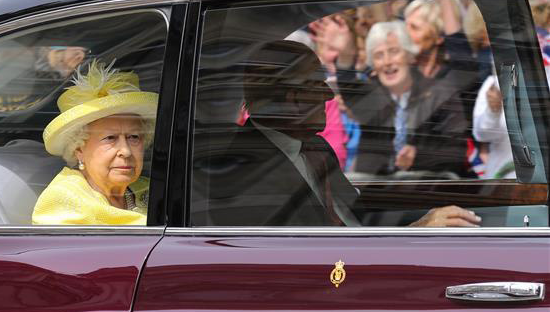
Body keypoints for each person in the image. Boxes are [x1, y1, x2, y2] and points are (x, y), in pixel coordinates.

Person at [193, 40, 480, 228]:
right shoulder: (245, 165)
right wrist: (416, 230)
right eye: (318, 84)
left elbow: (356, 217)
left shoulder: (315, 148)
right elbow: (314, 255)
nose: (329, 94)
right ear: (292, 98)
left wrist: (419, 222)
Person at [338, 21, 470, 177]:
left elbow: (456, 152)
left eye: (394, 51)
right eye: (379, 55)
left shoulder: (439, 93)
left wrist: (418, 155)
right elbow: (349, 85)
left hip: (426, 186)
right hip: (376, 189)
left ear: (410, 56)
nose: (387, 61)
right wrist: (345, 54)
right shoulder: (372, 96)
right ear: (373, 65)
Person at [32, 61, 157, 225]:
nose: (125, 151)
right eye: (110, 138)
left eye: (133, 137)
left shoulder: (147, 188)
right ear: (78, 148)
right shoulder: (64, 203)